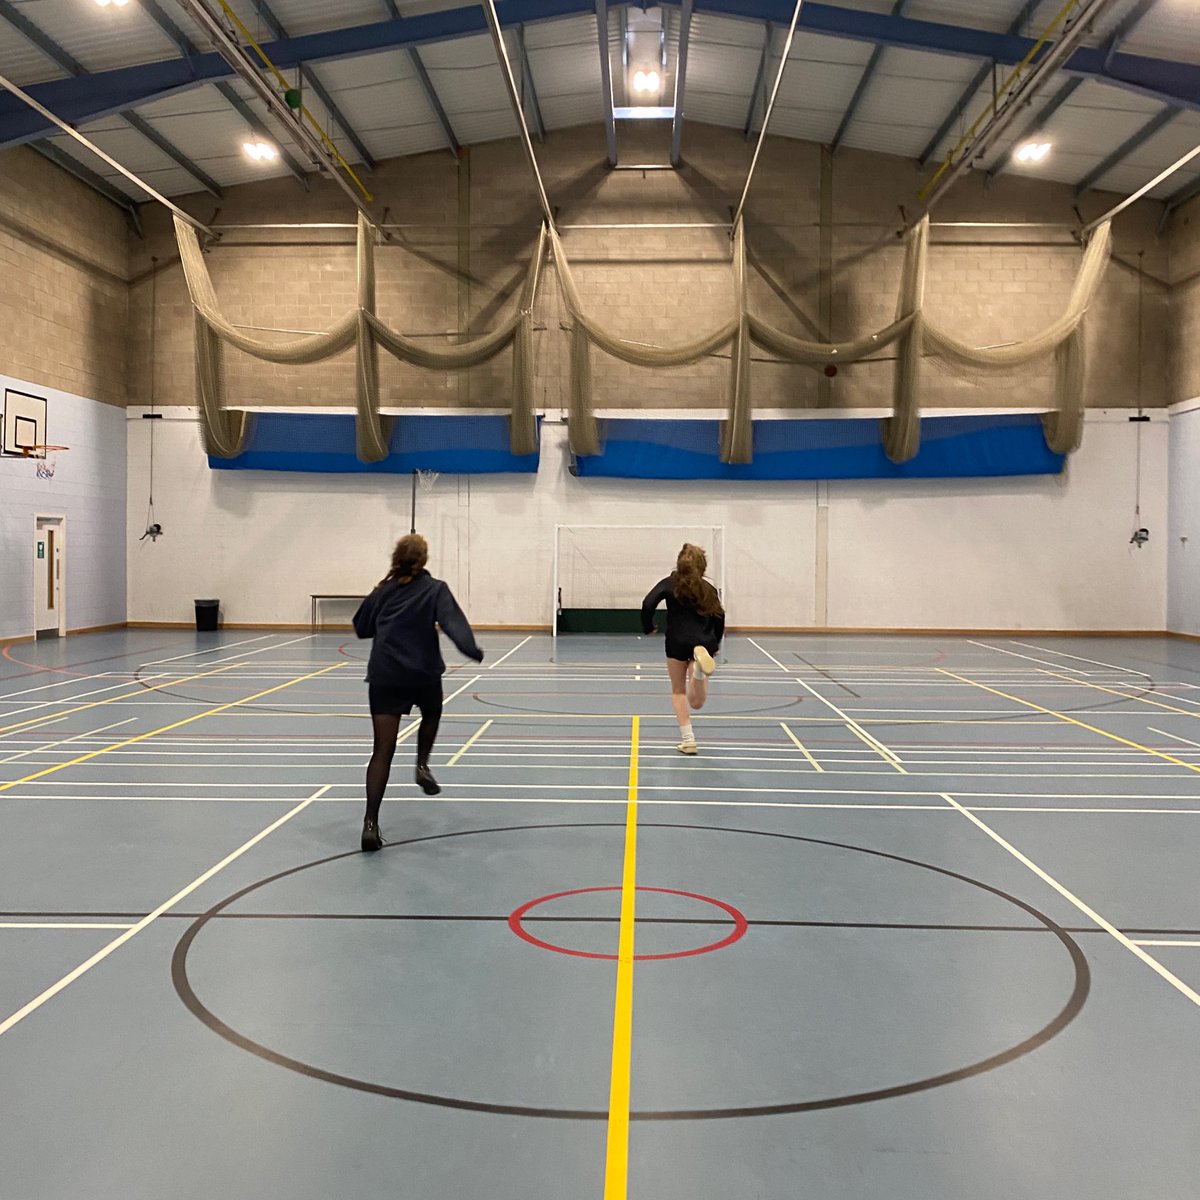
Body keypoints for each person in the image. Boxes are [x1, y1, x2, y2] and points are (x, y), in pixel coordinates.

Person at [353, 533, 483, 851]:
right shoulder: (435, 589)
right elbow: (454, 624)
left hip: (385, 675)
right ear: (424, 560)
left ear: (395, 559)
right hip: (422, 674)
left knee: (382, 751)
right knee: (433, 711)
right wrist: (472, 649)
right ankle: (422, 763)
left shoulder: (383, 590)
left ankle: (370, 822)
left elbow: (361, 627)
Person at [640, 543, 725, 755]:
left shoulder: (669, 584)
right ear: (702, 567)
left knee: (678, 691)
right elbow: (720, 616)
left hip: (677, 641)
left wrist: (648, 626)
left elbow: (648, 603)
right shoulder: (709, 589)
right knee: (697, 702)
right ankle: (697, 670)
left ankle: (688, 740)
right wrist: (715, 643)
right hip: (703, 641)